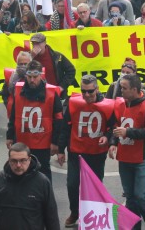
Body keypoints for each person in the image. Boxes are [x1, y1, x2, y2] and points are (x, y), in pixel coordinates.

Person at [56, 74, 114, 227]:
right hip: (76, 152)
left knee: (95, 186)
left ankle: (94, 214)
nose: (87, 95)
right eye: (84, 91)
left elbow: (113, 127)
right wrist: (61, 149)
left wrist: (108, 138)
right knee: (72, 184)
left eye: (90, 91)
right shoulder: (73, 103)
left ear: (97, 89)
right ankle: (75, 212)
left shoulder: (108, 105)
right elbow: (65, 127)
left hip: (97, 153)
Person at [109, 73, 145, 230]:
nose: (120, 91)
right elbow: (115, 126)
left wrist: (128, 132)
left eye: (124, 88)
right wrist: (113, 143)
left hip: (142, 157)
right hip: (124, 157)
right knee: (130, 195)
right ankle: (135, 224)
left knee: (140, 194)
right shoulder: (120, 105)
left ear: (135, 89)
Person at [0, 142, 60, 230]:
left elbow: (52, 219)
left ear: (29, 159)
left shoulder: (42, 183)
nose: (18, 165)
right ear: (9, 160)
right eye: (14, 161)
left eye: (23, 160)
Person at [6, 59, 63, 184]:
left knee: (43, 173)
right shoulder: (19, 91)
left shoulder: (51, 93)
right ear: (25, 75)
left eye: (35, 77)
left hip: (42, 142)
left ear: (41, 75)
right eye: (29, 76)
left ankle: (46, 199)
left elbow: (59, 120)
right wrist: (9, 136)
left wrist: (55, 142)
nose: (32, 80)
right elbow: (14, 115)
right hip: (22, 141)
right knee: (19, 171)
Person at [27, 32, 76, 99]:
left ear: (45, 43)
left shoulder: (57, 56)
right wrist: (30, 57)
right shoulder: (29, 57)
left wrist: (62, 86)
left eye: (38, 43)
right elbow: (21, 71)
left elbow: (71, 70)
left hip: (56, 94)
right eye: (33, 44)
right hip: (37, 95)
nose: (35, 46)